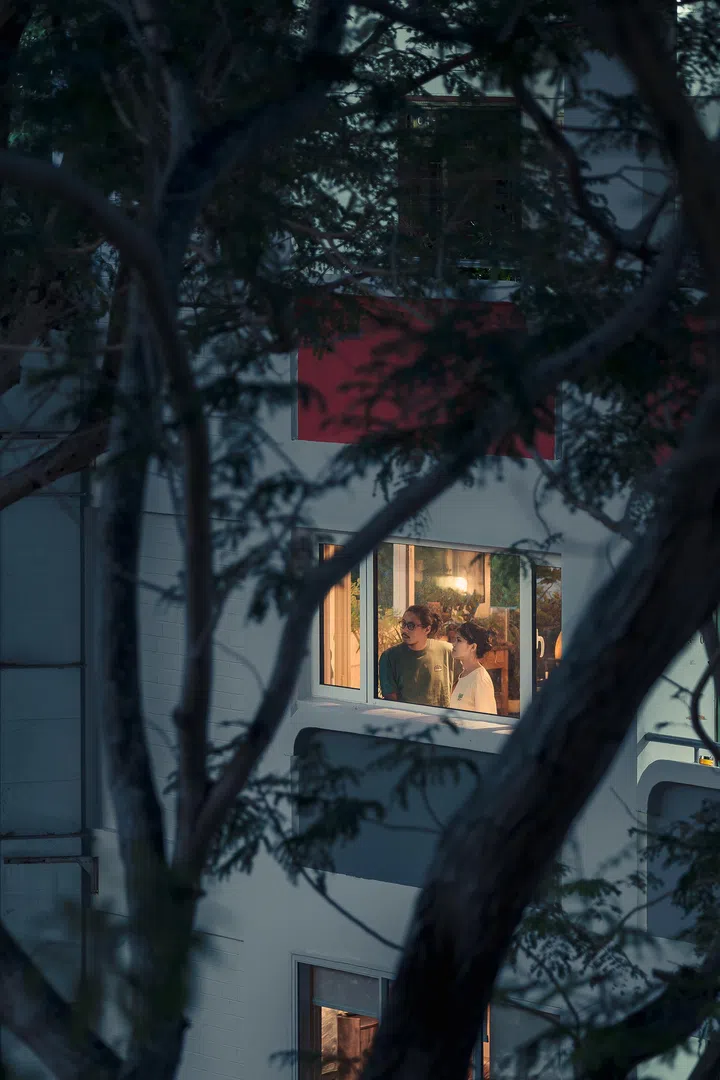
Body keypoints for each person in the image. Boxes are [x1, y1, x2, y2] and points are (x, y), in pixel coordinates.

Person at [379, 605, 457, 707]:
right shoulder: (389, 657)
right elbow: (391, 700)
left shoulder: (447, 651)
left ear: (427, 629)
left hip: (440, 716)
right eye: (403, 624)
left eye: (411, 626)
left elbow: (461, 680)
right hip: (406, 716)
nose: (404, 630)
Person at [450, 621, 498, 715]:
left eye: (459, 640)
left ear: (473, 647)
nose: (453, 644)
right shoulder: (464, 674)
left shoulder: (480, 679)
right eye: (455, 640)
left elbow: (486, 720)